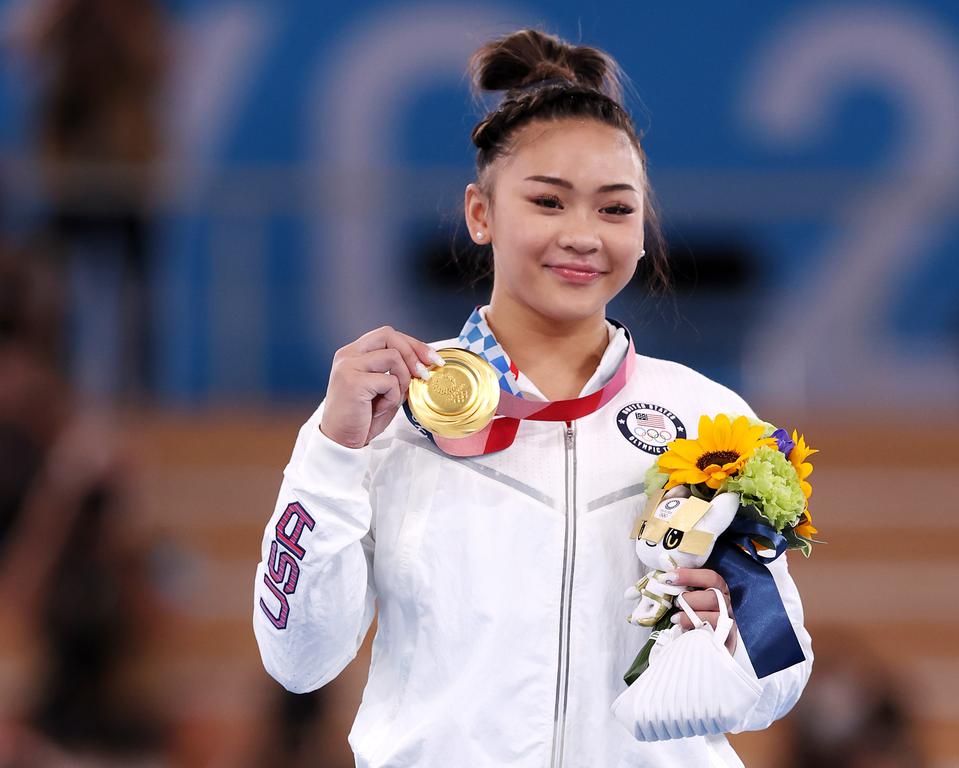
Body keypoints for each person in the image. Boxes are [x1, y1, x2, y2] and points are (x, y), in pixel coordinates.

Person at [253, 29, 812, 768]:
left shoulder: (710, 421)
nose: (582, 235)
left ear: (643, 230)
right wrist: (330, 454)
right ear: (480, 214)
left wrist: (728, 635)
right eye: (549, 201)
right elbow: (299, 660)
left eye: (615, 210)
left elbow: (778, 678)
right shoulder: (389, 413)